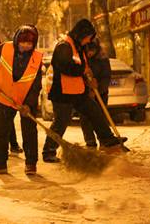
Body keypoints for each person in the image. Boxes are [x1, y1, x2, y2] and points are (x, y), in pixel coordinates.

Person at [42, 19, 127, 163]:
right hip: (62, 92)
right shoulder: (64, 46)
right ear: (81, 34)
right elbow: (64, 67)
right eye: (88, 36)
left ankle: (108, 140)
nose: (89, 40)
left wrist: (89, 78)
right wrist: (83, 71)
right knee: (61, 122)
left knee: (94, 110)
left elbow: (84, 68)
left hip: (77, 91)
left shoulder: (79, 47)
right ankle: (48, 151)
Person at [0, 25, 42, 175]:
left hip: (25, 100)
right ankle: (0, 163)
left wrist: (29, 105)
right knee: (1, 130)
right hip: (4, 95)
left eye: (29, 43)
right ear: (17, 40)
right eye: (22, 42)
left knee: (29, 131)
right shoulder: (4, 48)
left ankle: (31, 164)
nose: (25, 46)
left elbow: (36, 85)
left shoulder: (37, 58)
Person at [80, 38, 111, 148]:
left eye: (91, 51)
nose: (89, 53)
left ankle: (104, 141)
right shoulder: (81, 59)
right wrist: (87, 91)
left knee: (101, 118)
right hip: (84, 94)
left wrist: (98, 89)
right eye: (87, 51)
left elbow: (106, 77)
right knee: (85, 118)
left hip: (100, 94)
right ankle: (90, 141)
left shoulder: (102, 60)